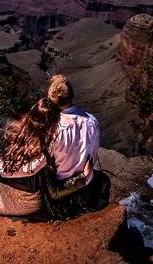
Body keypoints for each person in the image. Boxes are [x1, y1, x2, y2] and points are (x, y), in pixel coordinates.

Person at [0, 97, 94, 217]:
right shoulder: (41, 155)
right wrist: (83, 178)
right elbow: (54, 193)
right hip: (26, 209)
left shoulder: (3, 140)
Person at [44, 74, 111, 219]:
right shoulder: (92, 121)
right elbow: (92, 157)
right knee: (104, 180)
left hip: (60, 193)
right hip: (86, 188)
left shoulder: (52, 128)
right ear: (72, 95)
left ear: (51, 100)